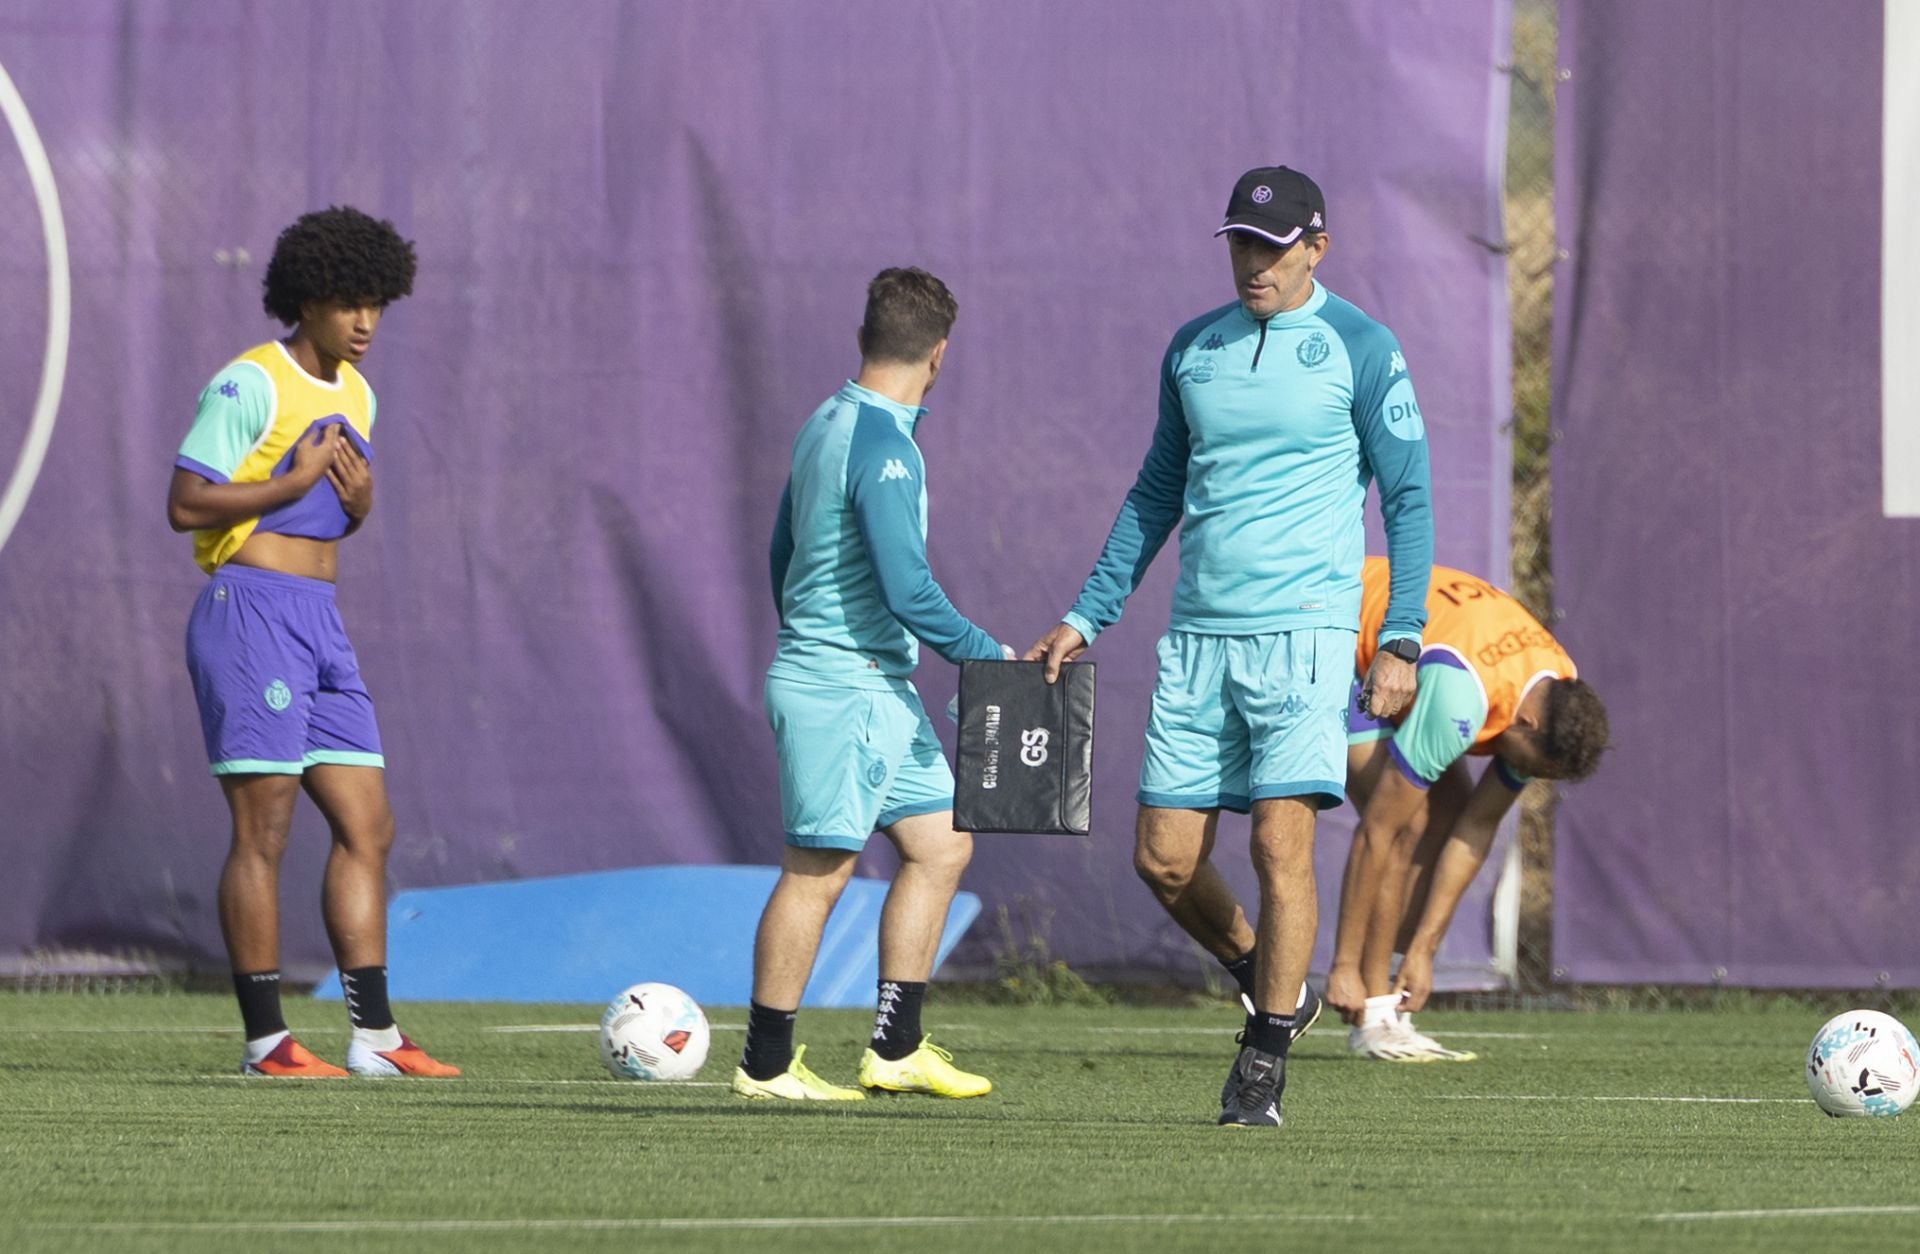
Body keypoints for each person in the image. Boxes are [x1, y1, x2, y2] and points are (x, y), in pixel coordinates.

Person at [1027, 167, 1435, 1127]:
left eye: (1275, 246)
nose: (1256, 263)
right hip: (1199, 640)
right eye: (1243, 244)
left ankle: (1263, 1061)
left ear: (1317, 249)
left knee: (1277, 841)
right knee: (1163, 860)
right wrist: (1086, 614)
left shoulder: (1362, 346)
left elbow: (1408, 497)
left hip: (1305, 634)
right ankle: (1263, 973)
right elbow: (1153, 493)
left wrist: (1401, 638)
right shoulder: (1192, 348)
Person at [167, 206, 457, 1079]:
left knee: (370, 824)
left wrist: (358, 507)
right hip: (250, 614)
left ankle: (375, 1038)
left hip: (320, 620)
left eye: (377, 304)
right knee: (264, 828)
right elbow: (185, 503)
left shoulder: (358, 394)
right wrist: (288, 483)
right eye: (348, 303)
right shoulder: (249, 383)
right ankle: (267, 1042)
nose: (365, 321)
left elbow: (326, 521)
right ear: (306, 299)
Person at [734, 267, 1007, 1103]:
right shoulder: (886, 444)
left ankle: (895, 1048)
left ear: (863, 337)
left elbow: (781, 553)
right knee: (818, 869)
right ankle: (765, 1065)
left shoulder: (825, 421)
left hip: (875, 687)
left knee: (941, 844)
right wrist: (988, 655)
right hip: (845, 687)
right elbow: (908, 589)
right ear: (940, 354)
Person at [1331, 557, 1609, 1060]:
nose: (1522, 776)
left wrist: (1424, 950)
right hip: (1340, 636)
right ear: (1525, 724)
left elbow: (1476, 825)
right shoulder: (1462, 698)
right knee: (1407, 823)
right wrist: (1344, 966)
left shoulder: (1558, 690)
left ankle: (1389, 998)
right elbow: (1377, 833)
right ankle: (1372, 1011)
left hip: (1418, 653)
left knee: (1449, 811)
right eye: (1529, 766)